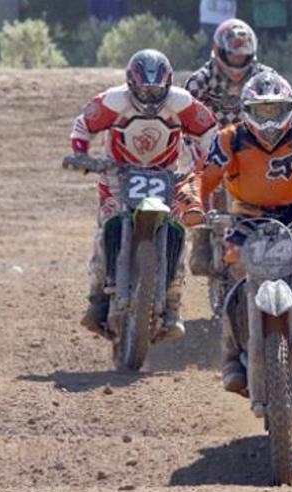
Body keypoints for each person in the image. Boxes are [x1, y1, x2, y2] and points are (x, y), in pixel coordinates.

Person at [180, 71, 292, 393]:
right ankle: (232, 359)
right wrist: (193, 204)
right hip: (246, 218)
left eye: (275, 110)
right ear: (246, 111)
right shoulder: (230, 139)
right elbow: (200, 176)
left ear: (290, 108)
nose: (269, 121)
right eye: (260, 111)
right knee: (234, 275)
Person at [70, 49, 218, 339]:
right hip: (117, 175)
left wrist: (205, 165)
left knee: (178, 229)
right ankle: (97, 297)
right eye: (144, 90)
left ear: (167, 84)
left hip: (166, 176)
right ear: (130, 84)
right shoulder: (113, 101)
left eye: (156, 90)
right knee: (106, 226)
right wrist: (79, 154)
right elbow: (84, 124)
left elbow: (210, 131)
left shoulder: (183, 103)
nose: (150, 97)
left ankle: (173, 303)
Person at [185, 18, 292, 277]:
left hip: (252, 141)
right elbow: (185, 114)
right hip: (210, 141)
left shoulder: (265, 75)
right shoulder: (201, 80)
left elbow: (288, 97)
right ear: (220, 51)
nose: (237, 62)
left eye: (243, 55)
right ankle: (201, 236)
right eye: (232, 54)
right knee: (204, 183)